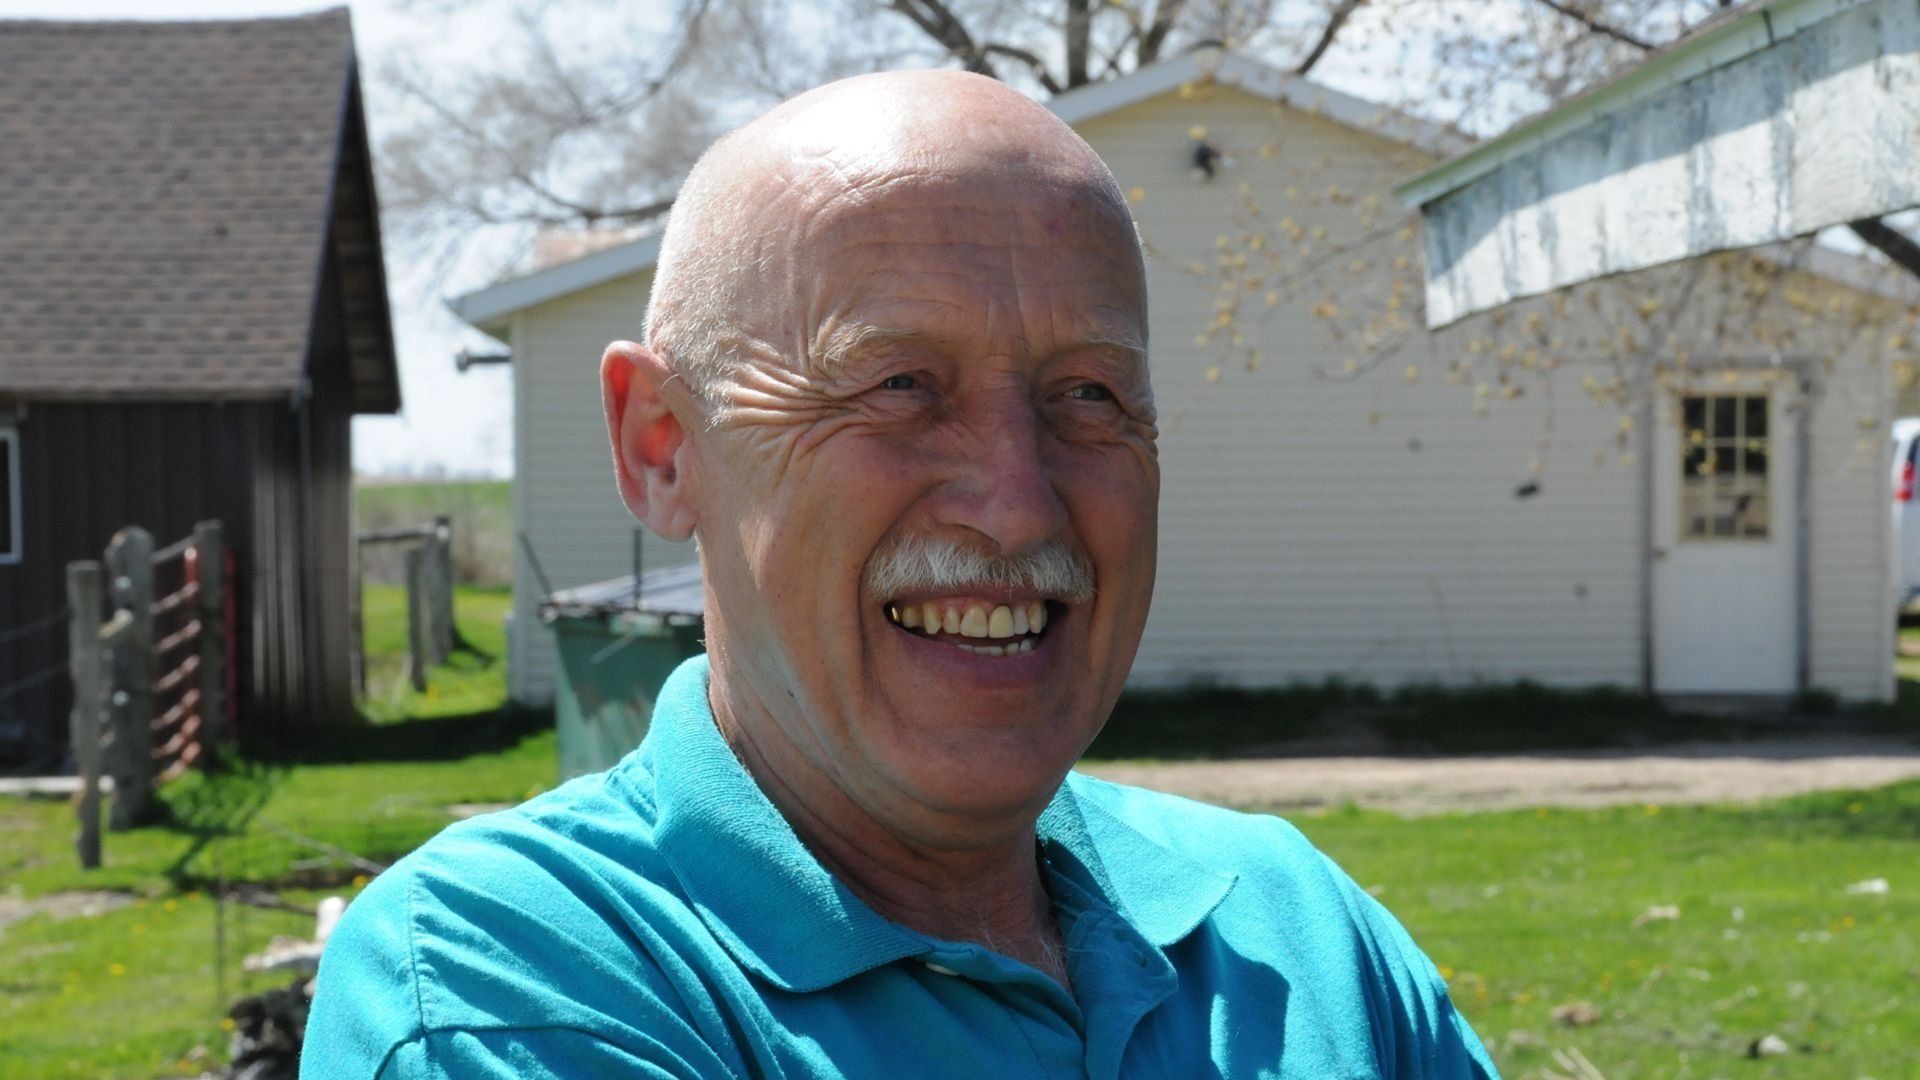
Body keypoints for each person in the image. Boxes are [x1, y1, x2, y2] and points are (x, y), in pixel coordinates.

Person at [303, 69, 1498, 1078]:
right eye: (899, 386)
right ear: (663, 447)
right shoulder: (515, 976)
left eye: (1089, 395)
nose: (1017, 502)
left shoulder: (1294, 933)